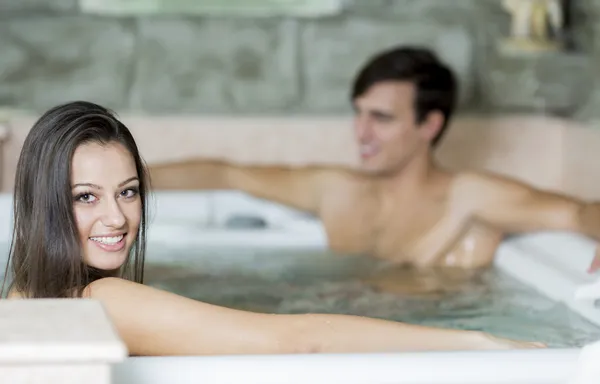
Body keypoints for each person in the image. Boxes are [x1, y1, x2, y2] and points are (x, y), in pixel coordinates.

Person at [1, 101, 543, 356]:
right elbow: (297, 340)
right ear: (43, 202)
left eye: (127, 191)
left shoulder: (23, 296)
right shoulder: (104, 299)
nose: (117, 218)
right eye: (85, 198)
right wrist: (479, 340)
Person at [147, 46, 600, 272]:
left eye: (381, 118)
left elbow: (579, 214)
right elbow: (226, 173)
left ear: (430, 126)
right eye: (359, 113)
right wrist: (120, 181)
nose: (360, 132)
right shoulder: (338, 190)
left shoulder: (469, 196)